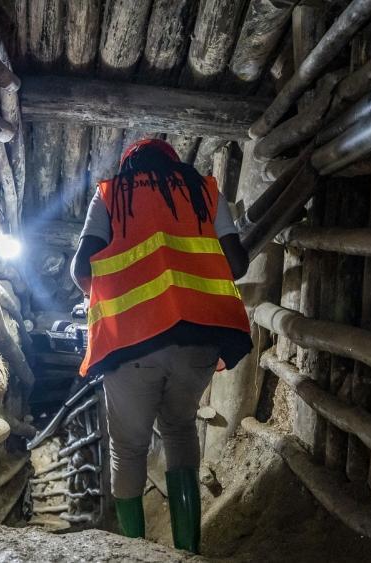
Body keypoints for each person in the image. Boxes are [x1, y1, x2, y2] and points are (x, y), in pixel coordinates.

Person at [71, 139, 252, 552]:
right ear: (174, 163)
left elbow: (81, 270)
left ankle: (135, 553)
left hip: (131, 344)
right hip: (198, 341)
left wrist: (114, 291)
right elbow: (237, 264)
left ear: (129, 165)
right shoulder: (204, 191)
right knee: (180, 428)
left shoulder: (112, 196)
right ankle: (188, 551)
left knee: (128, 448)